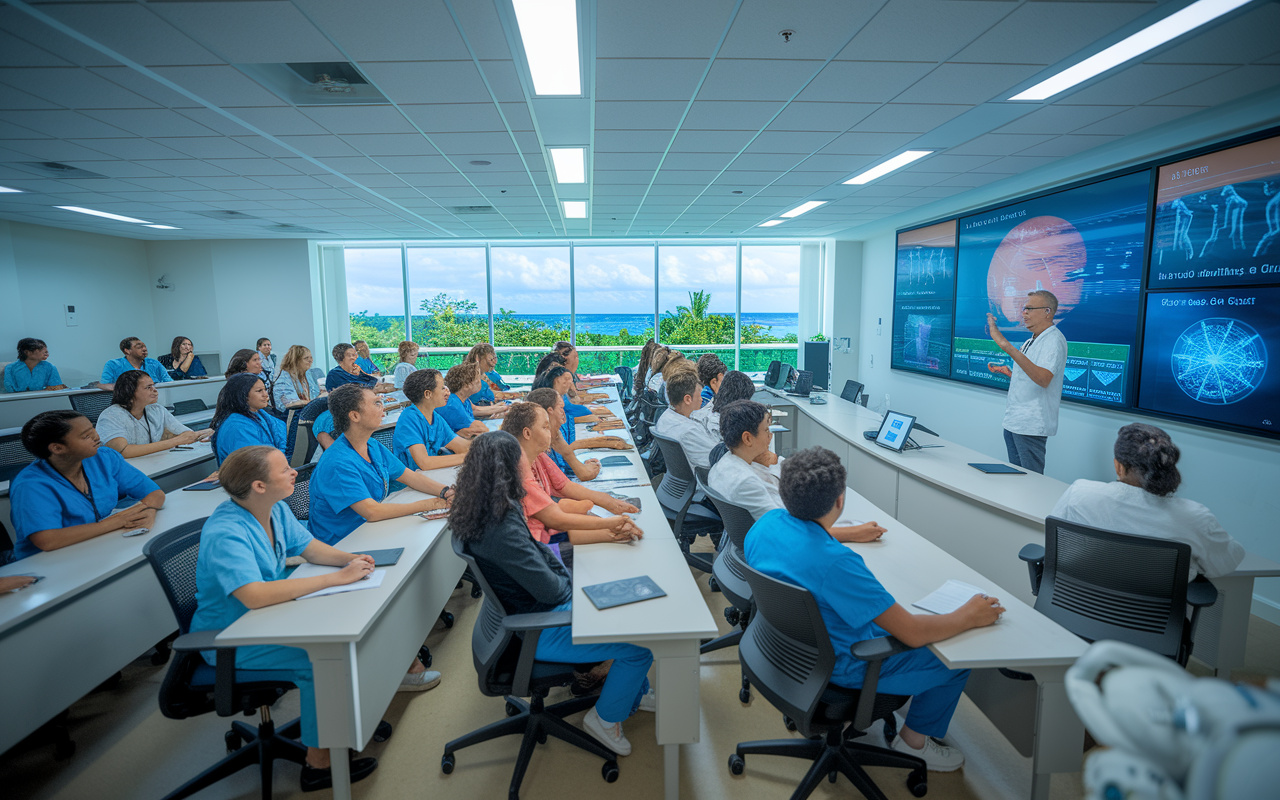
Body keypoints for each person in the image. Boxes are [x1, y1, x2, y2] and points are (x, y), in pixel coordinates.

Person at [744, 446, 1004, 772]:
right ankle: (914, 742)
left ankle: (908, 706)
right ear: (840, 500)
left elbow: (805, 546)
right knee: (954, 655)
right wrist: (969, 615)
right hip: (842, 670)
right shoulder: (837, 564)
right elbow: (911, 632)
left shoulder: (765, 525)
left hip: (785, 655)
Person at [450, 430, 655, 755]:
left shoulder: (481, 508)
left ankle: (632, 692)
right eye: (522, 464)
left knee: (628, 610)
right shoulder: (504, 525)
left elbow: (541, 556)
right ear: (508, 471)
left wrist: (555, 562)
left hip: (519, 617)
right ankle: (604, 719)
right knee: (639, 648)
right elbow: (552, 588)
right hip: (539, 628)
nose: (527, 470)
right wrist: (564, 569)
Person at [189, 446, 381, 791]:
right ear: (259, 485)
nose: (295, 472)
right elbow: (254, 595)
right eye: (284, 470)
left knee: (348, 636)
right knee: (322, 659)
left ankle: (346, 723)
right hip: (231, 639)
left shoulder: (274, 510)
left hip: (269, 619)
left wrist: (352, 560)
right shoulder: (226, 531)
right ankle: (318, 765)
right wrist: (335, 578)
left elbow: (309, 548)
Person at [1051, 423, 1244, 580]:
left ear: (1118, 466)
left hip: (1076, 607)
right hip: (1154, 623)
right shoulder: (1195, 517)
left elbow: (1057, 544)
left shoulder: (1081, 493)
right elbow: (1227, 561)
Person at [708, 400, 884, 542]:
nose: (770, 436)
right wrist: (853, 533)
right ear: (747, 438)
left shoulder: (723, 465)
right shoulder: (745, 482)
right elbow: (788, 533)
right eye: (766, 430)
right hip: (780, 548)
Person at [9, 410, 166, 561]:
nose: (97, 437)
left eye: (93, 429)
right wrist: (119, 521)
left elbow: (154, 494)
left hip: (97, 546)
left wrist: (147, 510)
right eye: (86, 436)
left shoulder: (104, 458)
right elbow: (48, 540)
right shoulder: (31, 485)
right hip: (46, 562)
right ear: (57, 448)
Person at [309, 383, 452, 545]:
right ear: (355, 416)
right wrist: (431, 504)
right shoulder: (338, 462)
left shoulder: (372, 445)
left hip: (369, 529)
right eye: (376, 403)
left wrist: (445, 492)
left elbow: (410, 477)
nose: (382, 407)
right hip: (342, 541)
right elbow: (371, 511)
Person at [985, 290, 1067, 474]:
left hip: (1031, 425)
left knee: (1031, 482)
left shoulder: (1053, 340)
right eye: (1023, 309)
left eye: (1029, 308)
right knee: (1017, 478)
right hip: (1015, 420)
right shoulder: (1032, 340)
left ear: (1048, 311)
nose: (1024, 313)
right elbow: (1028, 373)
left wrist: (1007, 347)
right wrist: (1009, 372)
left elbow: (1043, 379)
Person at [96, 370, 212, 458]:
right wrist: (176, 441)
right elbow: (123, 451)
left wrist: (201, 434)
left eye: (154, 386)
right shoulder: (111, 415)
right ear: (130, 392)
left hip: (151, 461)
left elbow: (186, 434)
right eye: (148, 387)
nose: (155, 391)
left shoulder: (156, 410)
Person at [525, 388, 628, 481]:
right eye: (561, 408)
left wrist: (582, 465)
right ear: (550, 411)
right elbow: (580, 476)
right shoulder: (540, 446)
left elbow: (568, 469)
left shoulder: (556, 434)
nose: (564, 413)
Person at [393, 368, 471, 473]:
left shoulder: (436, 418)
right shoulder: (409, 419)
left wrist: (487, 444)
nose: (447, 392)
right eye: (442, 388)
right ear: (428, 394)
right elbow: (425, 463)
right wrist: (467, 457)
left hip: (430, 476)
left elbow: (462, 446)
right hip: (408, 486)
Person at [210, 373, 286, 465]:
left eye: (265, 390)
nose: (265, 395)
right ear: (243, 395)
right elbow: (254, 464)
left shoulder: (259, 415)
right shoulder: (237, 427)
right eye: (259, 391)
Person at [653, 368, 719, 469]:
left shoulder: (665, 416)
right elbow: (718, 458)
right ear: (688, 399)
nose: (701, 399)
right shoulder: (690, 430)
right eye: (699, 394)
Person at [437, 362, 499, 438]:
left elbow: (476, 410)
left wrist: (502, 408)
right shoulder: (452, 404)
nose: (481, 383)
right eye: (478, 380)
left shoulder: (463, 399)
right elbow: (480, 429)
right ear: (467, 386)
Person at [533, 365, 610, 425]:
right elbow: (559, 420)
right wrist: (586, 418)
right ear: (556, 380)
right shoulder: (550, 399)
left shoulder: (563, 395)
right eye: (566, 379)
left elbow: (575, 399)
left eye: (570, 380)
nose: (569, 382)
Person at [101, 337, 173, 390]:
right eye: (139, 347)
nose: (144, 349)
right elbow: (104, 385)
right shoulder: (113, 365)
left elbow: (170, 383)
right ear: (127, 351)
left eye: (145, 346)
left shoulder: (154, 364)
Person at [326, 343, 392, 393]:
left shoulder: (356, 370)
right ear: (340, 358)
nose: (354, 357)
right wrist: (374, 390)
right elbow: (347, 395)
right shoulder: (334, 375)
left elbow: (372, 380)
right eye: (350, 355)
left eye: (354, 354)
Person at [274, 345, 322, 410]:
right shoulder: (283, 378)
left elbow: (314, 395)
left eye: (311, 358)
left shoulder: (307, 374)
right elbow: (289, 404)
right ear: (296, 361)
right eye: (306, 358)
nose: (310, 361)